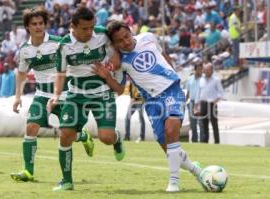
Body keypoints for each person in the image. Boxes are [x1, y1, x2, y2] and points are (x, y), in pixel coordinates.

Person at [92, 21, 202, 193]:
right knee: (167, 145)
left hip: (172, 90)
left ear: (131, 31)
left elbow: (164, 55)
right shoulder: (120, 63)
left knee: (171, 130)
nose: (126, 42)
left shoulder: (148, 37)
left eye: (127, 36)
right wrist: (107, 77)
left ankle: (174, 182)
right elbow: (120, 89)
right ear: (115, 44)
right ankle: (196, 170)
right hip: (151, 102)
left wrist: (174, 76)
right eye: (120, 41)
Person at [10, 7, 94, 183]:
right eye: (34, 24)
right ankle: (28, 171)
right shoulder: (24, 50)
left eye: (41, 23)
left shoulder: (58, 42)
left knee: (67, 135)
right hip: (42, 94)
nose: (39, 27)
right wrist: (17, 96)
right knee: (31, 127)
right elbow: (22, 73)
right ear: (27, 27)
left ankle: (83, 136)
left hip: (65, 95)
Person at [47, 7, 125, 191]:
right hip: (76, 95)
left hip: (102, 93)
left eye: (91, 27)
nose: (89, 32)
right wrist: (57, 94)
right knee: (66, 134)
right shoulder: (64, 45)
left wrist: (109, 68)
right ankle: (66, 180)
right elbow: (60, 73)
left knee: (106, 138)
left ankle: (117, 138)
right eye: (84, 28)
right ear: (72, 26)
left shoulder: (102, 35)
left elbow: (117, 58)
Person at [194, 63, 224, 144]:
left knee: (214, 124)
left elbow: (221, 92)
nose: (206, 71)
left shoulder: (216, 80)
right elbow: (198, 93)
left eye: (208, 70)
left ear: (211, 70)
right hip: (203, 104)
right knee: (204, 124)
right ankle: (205, 142)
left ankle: (217, 142)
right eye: (205, 70)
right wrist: (196, 105)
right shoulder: (201, 80)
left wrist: (216, 100)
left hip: (212, 104)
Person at [186, 63, 203, 142]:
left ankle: (203, 141)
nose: (200, 71)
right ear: (195, 69)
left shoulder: (203, 79)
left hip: (201, 102)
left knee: (201, 123)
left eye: (201, 69)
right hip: (192, 102)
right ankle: (194, 140)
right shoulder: (190, 79)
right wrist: (185, 101)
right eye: (199, 69)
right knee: (193, 124)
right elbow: (188, 91)